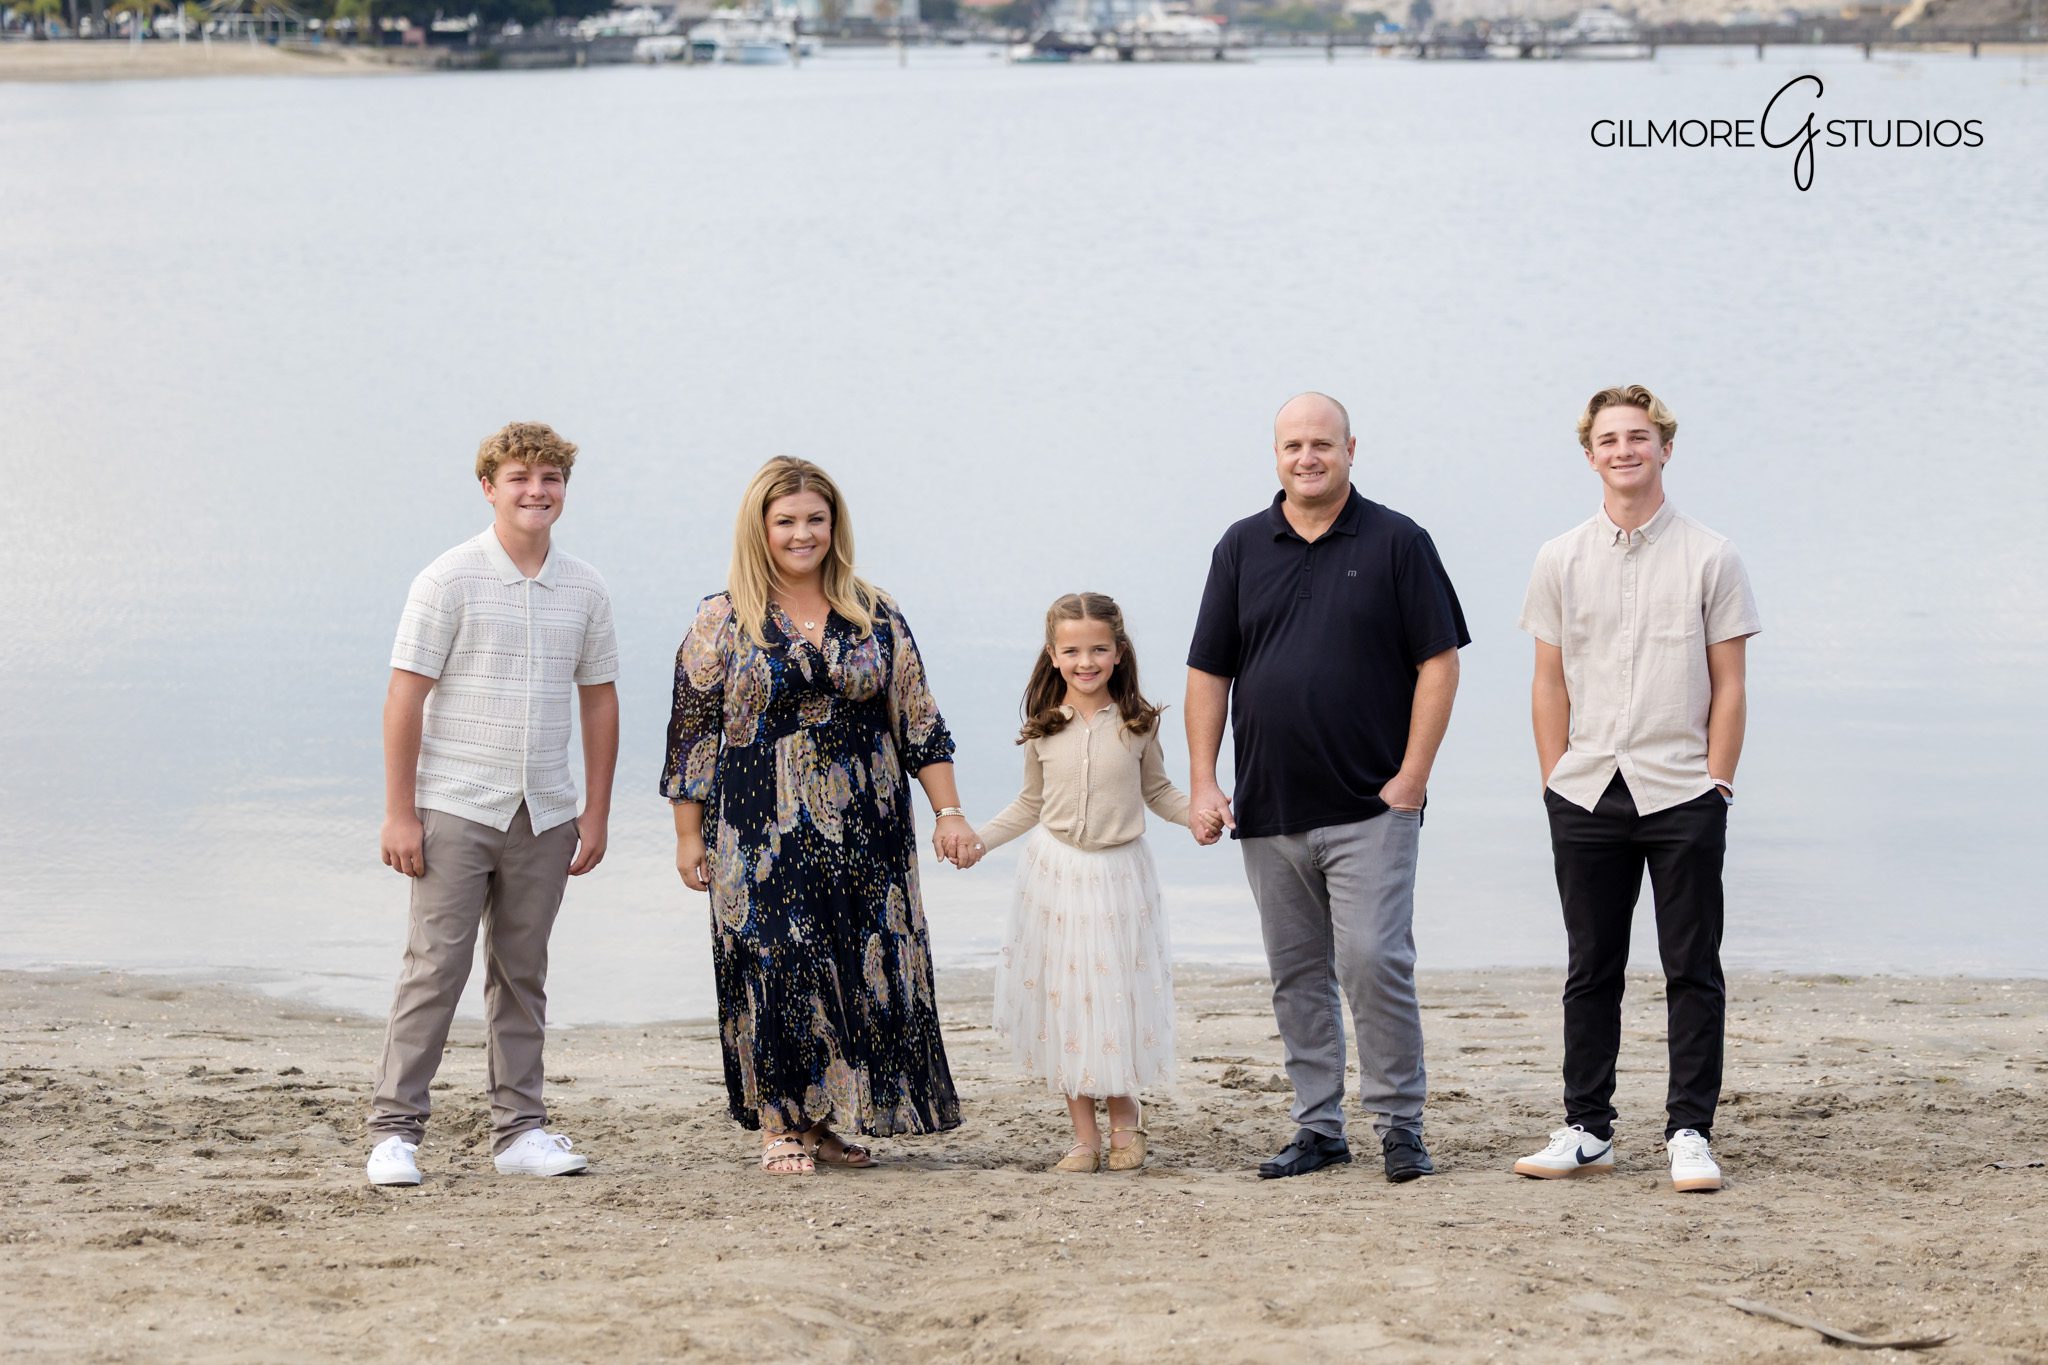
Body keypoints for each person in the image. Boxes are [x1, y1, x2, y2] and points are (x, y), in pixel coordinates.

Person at [662, 456, 977, 1176]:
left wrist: (948, 811)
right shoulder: (722, 618)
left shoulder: (875, 611)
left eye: (815, 519)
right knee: (776, 964)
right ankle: (780, 1123)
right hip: (756, 833)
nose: (802, 533)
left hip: (868, 828)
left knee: (851, 968)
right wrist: (687, 835)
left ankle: (825, 1125)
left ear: (834, 526)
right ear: (760, 528)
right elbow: (691, 736)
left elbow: (919, 719)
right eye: (786, 521)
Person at [1186, 392, 1469, 1184]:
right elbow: (1209, 670)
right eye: (1292, 445)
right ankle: (1318, 1127)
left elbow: (1439, 663)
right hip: (1269, 805)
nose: (1306, 457)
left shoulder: (1397, 541)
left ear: (1351, 448)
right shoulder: (1242, 545)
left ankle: (1401, 1124)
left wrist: (1413, 776)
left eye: (1321, 443)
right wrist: (1206, 780)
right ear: (1274, 454)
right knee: (1296, 972)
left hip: (1372, 803)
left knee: (1375, 959)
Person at [1513, 384, 1759, 1194]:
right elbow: (1549, 681)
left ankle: (1689, 1129)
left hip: (1683, 788)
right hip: (1585, 789)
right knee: (1592, 966)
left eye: (1639, 436)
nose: (1625, 449)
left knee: (1693, 965)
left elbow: (1729, 683)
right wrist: (1556, 780)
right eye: (1610, 438)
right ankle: (1587, 1127)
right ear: (1590, 455)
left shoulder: (1710, 554)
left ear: (1665, 448)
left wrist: (1718, 782)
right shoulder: (1559, 557)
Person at [365, 422, 620, 1187]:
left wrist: (596, 812)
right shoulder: (447, 579)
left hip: (545, 812)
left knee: (522, 973)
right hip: (454, 807)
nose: (536, 490)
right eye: (520, 477)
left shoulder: (586, 587)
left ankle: (519, 1133)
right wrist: (399, 811)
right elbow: (404, 697)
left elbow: (600, 703)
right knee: (433, 970)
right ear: (489, 486)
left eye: (550, 478)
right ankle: (394, 1132)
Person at [975, 592, 1208, 1173]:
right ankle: (1084, 1137)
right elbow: (1030, 803)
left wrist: (1199, 815)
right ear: (1053, 656)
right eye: (1073, 651)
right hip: (1053, 875)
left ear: (1119, 652)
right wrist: (978, 839)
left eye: (1098, 649)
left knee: (1112, 1000)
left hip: (1117, 877)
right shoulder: (1042, 728)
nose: (1086, 661)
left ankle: (1126, 1123)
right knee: (1066, 1004)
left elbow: (1158, 792)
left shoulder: (1138, 723)